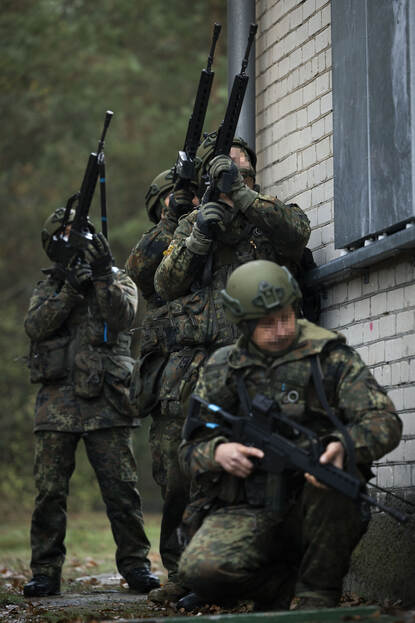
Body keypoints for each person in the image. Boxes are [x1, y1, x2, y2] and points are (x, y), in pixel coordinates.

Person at [177, 259, 402, 610]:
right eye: (267, 324)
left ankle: (317, 597)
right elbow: (189, 449)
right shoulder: (224, 367)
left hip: (315, 504)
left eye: (285, 317)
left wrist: (344, 445)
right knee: (200, 571)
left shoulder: (329, 357)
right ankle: (275, 588)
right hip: (248, 506)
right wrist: (218, 452)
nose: (281, 330)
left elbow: (384, 422)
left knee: (339, 481)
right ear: (244, 325)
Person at [148, 134, 310, 605]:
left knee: (265, 462)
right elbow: (164, 281)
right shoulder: (196, 222)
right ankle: (189, 574)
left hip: (264, 359)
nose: (230, 170)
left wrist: (241, 195)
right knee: (193, 468)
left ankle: (265, 573)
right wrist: (197, 235)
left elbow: (296, 235)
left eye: (238, 166)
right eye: (222, 167)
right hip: (203, 365)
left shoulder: (270, 213)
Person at [23, 207, 160, 597]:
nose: (73, 237)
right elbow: (35, 326)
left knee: (122, 490)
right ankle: (45, 571)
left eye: (78, 230)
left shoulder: (118, 279)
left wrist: (101, 276)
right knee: (50, 491)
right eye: (65, 232)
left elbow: (123, 318)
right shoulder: (48, 285)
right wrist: (68, 289)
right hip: (57, 403)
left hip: (108, 401)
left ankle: (136, 566)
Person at [125, 169, 199, 603]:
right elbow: (139, 270)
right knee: (174, 480)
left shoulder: (211, 225)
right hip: (171, 380)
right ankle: (178, 570)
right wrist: (172, 220)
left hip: (216, 364)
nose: (182, 199)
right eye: (172, 196)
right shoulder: (159, 241)